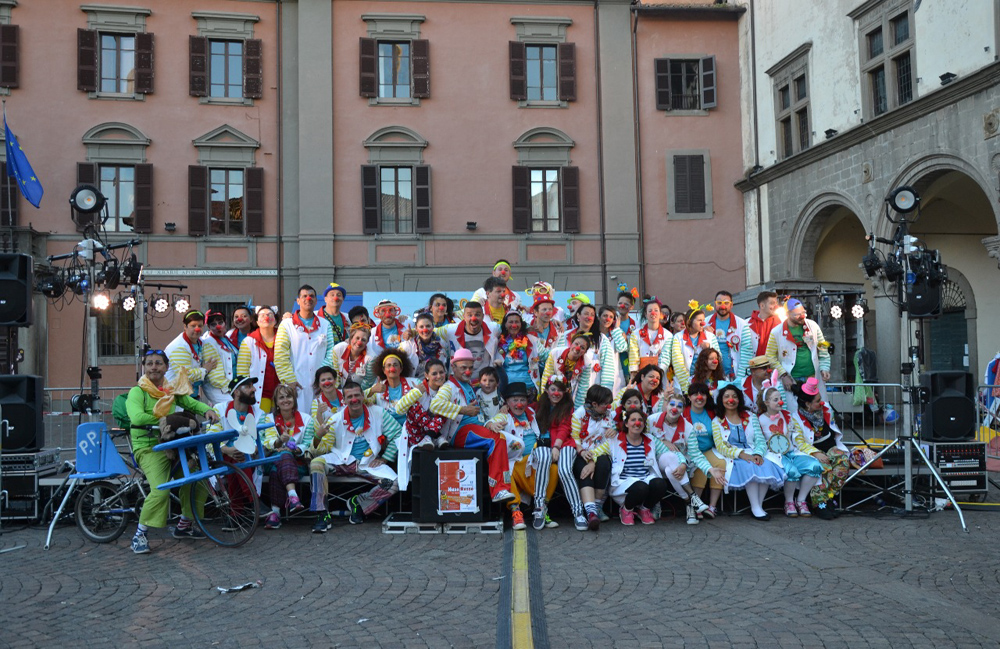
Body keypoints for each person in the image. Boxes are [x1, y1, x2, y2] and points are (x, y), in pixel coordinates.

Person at [126, 350, 220, 554]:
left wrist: (207, 410)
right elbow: (137, 418)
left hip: (172, 445)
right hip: (149, 448)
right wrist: (163, 421)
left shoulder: (170, 390)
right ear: (144, 367)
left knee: (199, 479)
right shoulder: (138, 392)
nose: (154, 367)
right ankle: (139, 535)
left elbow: (189, 402)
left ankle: (184, 525)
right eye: (149, 363)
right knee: (161, 490)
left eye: (158, 363)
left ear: (166, 367)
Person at [308, 381, 398, 530]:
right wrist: (317, 437)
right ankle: (322, 513)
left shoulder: (378, 413)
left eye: (357, 395)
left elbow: (397, 434)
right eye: (350, 396)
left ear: (363, 396)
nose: (354, 399)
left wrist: (385, 458)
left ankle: (359, 503)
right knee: (316, 463)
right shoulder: (335, 419)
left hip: (367, 463)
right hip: (341, 461)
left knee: (394, 483)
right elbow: (319, 451)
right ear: (344, 400)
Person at [430, 348, 515, 502]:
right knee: (497, 440)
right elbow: (435, 405)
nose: (468, 371)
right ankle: (498, 490)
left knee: (515, 444)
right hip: (460, 432)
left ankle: (506, 488)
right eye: (463, 368)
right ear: (454, 367)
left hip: (476, 428)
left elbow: (480, 412)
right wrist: (463, 410)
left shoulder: (468, 386)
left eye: (470, 368)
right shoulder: (449, 387)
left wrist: (491, 422)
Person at [485, 382, 559, 530]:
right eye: (515, 400)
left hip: (534, 461)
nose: (519, 404)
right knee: (506, 471)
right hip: (516, 462)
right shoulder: (505, 415)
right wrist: (491, 425)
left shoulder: (532, 413)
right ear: (507, 402)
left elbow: (544, 432)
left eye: (522, 400)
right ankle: (515, 512)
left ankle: (541, 508)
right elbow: (491, 422)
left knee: (553, 469)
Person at [205, 375, 278, 519]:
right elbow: (210, 438)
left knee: (238, 460)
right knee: (236, 460)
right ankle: (253, 501)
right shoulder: (220, 409)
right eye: (249, 386)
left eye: (252, 386)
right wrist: (227, 450)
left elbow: (267, 438)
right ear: (237, 392)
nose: (254, 389)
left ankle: (236, 514)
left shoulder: (260, 413)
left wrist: (254, 449)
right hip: (222, 456)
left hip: (250, 457)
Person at [711, 384, 784, 521]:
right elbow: (721, 446)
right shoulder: (717, 421)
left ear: (739, 399)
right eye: (726, 397)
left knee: (766, 465)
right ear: (721, 400)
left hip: (753, 451)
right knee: (750, 466)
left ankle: (758, 505)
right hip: (733, 455)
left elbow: (760, 439)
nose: (731, 400)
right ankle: (756, 507)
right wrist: (741, 454)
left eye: (734, 396)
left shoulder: (750, 416)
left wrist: (758, 454)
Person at [755, 385, 825, 518]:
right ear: (766, 402)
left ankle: (801, 500)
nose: (780, 401)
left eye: (781, 398)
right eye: (776, 399)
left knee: (815, 466)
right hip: (774, 456)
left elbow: (796, 438)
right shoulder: (759, 419)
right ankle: (788, 502)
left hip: (792, 452)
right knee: (792, 471)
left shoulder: (787, 415)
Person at [593, 410, 668, 525]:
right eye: (633, 420)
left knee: (660, 484)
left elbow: (666, 452)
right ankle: (626, 510)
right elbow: (595, 453)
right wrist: (589, 463)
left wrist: (682, 462)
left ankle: (644, 509)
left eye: (640, 420)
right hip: (624, 484)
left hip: (645, 480)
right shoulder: (615, 440)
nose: (637, 423)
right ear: (626, 424)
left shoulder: (650, 439)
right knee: (640, 487)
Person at [792, 378, 851, 519]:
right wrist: (816, 453)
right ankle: (820, 503)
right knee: (822, 467)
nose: (821, 403)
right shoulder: (796, 418)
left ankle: (827, 497)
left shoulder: (826, 410)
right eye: (817, 401)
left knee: (842, 462)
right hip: (811, 451)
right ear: (807, 404)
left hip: (830, 446)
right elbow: (799, 442)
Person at [647, 394, 711, 524]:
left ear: (683, 410)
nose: (674, 408)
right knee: (670, 456)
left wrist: (709, 468)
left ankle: (689, 503)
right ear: (666, 405)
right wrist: (663, 441)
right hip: (654, 462)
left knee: (672, 470)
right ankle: (693, 498)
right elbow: (645, 437)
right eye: (672, 404)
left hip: (677, 464)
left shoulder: (688, 427)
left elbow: (695, 453)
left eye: (679, 406)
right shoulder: (651, 420)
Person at [275, 285, 335, 415]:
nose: (308, 298)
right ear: (298, 301)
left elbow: (331, 353)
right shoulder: (286, 325)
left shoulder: (325, 324)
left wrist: (322, 377)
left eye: (312, 296)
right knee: (298, 421)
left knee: (320, 420)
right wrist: (289, 380)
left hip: (319, 386)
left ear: (316, 300)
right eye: (304, 296)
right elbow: (280, 355)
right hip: (296, 385)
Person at [393, 358, 450, 489]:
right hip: (416, 434)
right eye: (434, 373)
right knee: (413, 406)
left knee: (445, 407)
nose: (439, 376)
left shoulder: (447, 389)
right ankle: (434, 436)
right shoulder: (419, 388)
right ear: (426, 375)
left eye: (441, 372)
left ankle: (431, 436)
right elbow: (399, 409)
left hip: (435, 435)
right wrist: (416, 392)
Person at [261, 383, 311, 529]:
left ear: (294, 399)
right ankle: (293, 496)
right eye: (281, 397)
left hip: (298, 464)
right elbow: (267, 441)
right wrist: (278, 442)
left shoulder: (306, 419)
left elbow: (308, 443)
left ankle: (275, 513)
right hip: (273, 460)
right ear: (276, 402)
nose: (285, 400)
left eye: (288, 396)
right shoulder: (269, 420)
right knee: (282, 455)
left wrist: (295, 449)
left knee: (281, 463)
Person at [536, 379, 584, 529]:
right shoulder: (540, 405)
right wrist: (505, 408)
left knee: (564, 470)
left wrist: (556, 446)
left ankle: (578, 513)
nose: (556, 393)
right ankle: (539, 508)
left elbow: (564, 428)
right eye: (553, 389)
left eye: (560, 390)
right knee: (542, 461)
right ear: (546, 391)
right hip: (546, 444)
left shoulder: (568, 407)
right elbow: (523, 408)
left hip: (565, 443)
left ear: (565, 392)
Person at [765, 298, 831, 400]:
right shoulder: (776, 332)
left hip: (812, 377)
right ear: (787, 314)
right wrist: (783, 375)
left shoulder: (813, 326)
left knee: (814, 407)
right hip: (792, 380)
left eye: (803, 312)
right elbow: (770, 356)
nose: (802, 316)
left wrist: (825, 367)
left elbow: (823, 348)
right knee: (794, 412)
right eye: (797, 314)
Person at [570, 385, 617, 527]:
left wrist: (615, 429)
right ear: (594, 404)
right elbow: (575, 439)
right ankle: (591, 512)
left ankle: (596, 507)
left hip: (600, 452)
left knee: (603, 464)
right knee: (585, 469)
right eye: (605, 404)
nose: (608, 407)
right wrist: (585, 455)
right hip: (582, 453)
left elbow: (609, 443)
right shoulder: (579, 414)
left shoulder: (608, 414)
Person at [366, 348, 419, 468]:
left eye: (395, 365)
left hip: (411, 430)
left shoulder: (414, 383)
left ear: (401, 368)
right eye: (388, 365)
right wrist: (372, 390)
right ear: (384, 370)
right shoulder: (378, 387)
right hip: (388, 433)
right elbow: (358, 400)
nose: (392, 368)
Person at [436, 300, 500, 385]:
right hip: (459, 383)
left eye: (477, 315)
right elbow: (429, 332)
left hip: (485, 384)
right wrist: (413, 332)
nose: (473, 318)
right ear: (464, 317)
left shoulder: (494, 328)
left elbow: (508, 330)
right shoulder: (450, 330)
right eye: (469, 315)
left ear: (483, 316)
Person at [684, 382, 722, 518]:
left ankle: (712, 506)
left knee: (720, 463)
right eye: (695, 394)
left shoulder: (712, 413)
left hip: (708, 449)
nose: (699, 397)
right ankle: (696, 505)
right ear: (689, 397)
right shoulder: (683, 412)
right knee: (700, 465)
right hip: (689, 452)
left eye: (703, 394)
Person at [165, 309, 218, 403]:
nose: (197, 329)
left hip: (190, 397)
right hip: (176, 399)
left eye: (200, 326)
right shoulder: (179, 347)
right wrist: (205, 369)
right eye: (193, 326)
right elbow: (185, 375)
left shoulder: (199, 342)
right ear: (185, 327)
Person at [237, 306, 281, 413]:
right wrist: (246, 390)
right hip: (261, 393)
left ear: (275, 320)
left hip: (281, 393)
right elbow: (242, 372)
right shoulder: (248, 341)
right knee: (263, 423)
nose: (266, 317)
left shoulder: (283, 338)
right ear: (257, 321)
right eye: (262, 315)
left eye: (269, 314)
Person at [670, 306, 721, 395]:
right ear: (690, 322)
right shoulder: (678, 337)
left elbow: (719, 358)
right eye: (699, 320)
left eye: (703, 320)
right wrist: (687, 387)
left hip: (708, 381)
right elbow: (678, 364)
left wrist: (709, 348)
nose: (703, 323)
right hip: (686, 383)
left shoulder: (710, 336)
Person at [706, 290, 753, 383]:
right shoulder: (706, 323)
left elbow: (747, 352)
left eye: (726, 303)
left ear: (731, 305)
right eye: (719, 303)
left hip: (734, 375)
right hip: (711, 375)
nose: (722, 306)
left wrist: (740, 378)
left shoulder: (742, 325)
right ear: (715, 305)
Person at [540, 333, 594, 409]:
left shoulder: (586, 363)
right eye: (576, 344)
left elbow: (582, 388)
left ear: (585, 352)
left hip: (568, 397)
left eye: (582, 347)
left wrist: (577, 410)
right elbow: (546, 377)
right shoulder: (555, 353)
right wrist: (544, 400)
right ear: (571, 344)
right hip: (552, 393)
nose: (577, 348)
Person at [494, 310, 541, 398]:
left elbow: (546, 354)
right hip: (507, 387)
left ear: (521, 324)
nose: (514, 325)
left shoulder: (531, 340)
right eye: (510, 322)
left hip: (529, 387)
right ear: (505, 324)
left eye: (517, 322)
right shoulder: (498, 342)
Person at [202, 310, 240, 406]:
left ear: (225, 323)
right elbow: (214, 376)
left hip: (232, 387)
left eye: (220, 323)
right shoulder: (208, 343)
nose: (218, 326)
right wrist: (231, 387)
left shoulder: (226, 339)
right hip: (221, 390)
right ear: (209, 327)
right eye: (213, 324)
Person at [627, 297, 671, 379]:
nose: (653, 313)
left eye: (656, 310)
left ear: (661, 314)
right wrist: (634, 375)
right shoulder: (636, 334)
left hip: (660, 376)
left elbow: (666, 357)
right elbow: (634, 356)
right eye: (650, 311)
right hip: (641, 376)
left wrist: (658, 374)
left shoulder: (668, 335)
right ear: (645, 314)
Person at [400, 312, 450, 379]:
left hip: (436, 383)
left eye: (428, 326)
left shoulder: (442, 344)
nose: (425, 330)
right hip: (414, 385)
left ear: (433, 327)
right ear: (416, 329)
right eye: (421, 327)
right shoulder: (407, 346)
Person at [596, 305, 629, 393]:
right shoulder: (594, 334)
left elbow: (622, 348)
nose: (607, 319)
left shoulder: (618, 333)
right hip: (595, 372)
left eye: (611, 317)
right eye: (605, 316)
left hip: (614, 375)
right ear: (599, 317)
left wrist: (617, 329)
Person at [333, 322, 371, 388]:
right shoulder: (338, 349)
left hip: (360, 394)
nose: (359, 342)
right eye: (357, 338)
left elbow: (367, 384)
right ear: (351, 338)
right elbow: (335, 376)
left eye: (363, 340)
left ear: (367, 342)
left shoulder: (371, 358)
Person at [317, 282, 350, 346]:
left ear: (343, 299)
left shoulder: (348, 318)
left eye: (339, 295)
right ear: (325, 299)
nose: (336, 297)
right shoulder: (315, 316)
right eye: (332, 295)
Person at [749, 290, 780, 357]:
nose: (776, 306)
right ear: (762, 306)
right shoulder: (746, 324)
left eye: (776, 303)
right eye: (772, 303)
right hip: (754, 365)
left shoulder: (781, 322)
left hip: (774, 365)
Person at [616, 287, 638, 377]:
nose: (622, 306)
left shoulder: (636, 325)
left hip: (628, 369)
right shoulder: (610, 323)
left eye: (626, 304)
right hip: (613, 368)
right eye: (620, 303)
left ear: (631, 307)